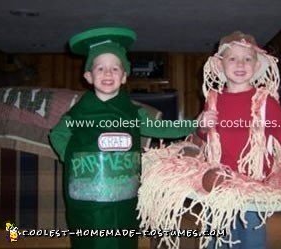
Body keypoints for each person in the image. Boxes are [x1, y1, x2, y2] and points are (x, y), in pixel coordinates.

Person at [49, 27, 195, 249]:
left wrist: (195, 124)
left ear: (124, 76)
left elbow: (161, 128)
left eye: (115, 68)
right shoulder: (79, 113)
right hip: (88, 198)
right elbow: (58, 134)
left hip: (124, 196)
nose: (108, 73)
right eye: (100, 68)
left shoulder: (133, 113)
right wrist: (73, 158)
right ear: (89, 76)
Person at [197, 31, 281, 249]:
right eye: (232, 58)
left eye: (247, 58)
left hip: (253, 183)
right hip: (219, 182)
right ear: (221, 65)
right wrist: (202, 126)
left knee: (251, 239)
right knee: (216, 239)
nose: (240, 63)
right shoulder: (213, 99)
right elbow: (206, 136)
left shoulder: (265, 101)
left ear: (256, 65)